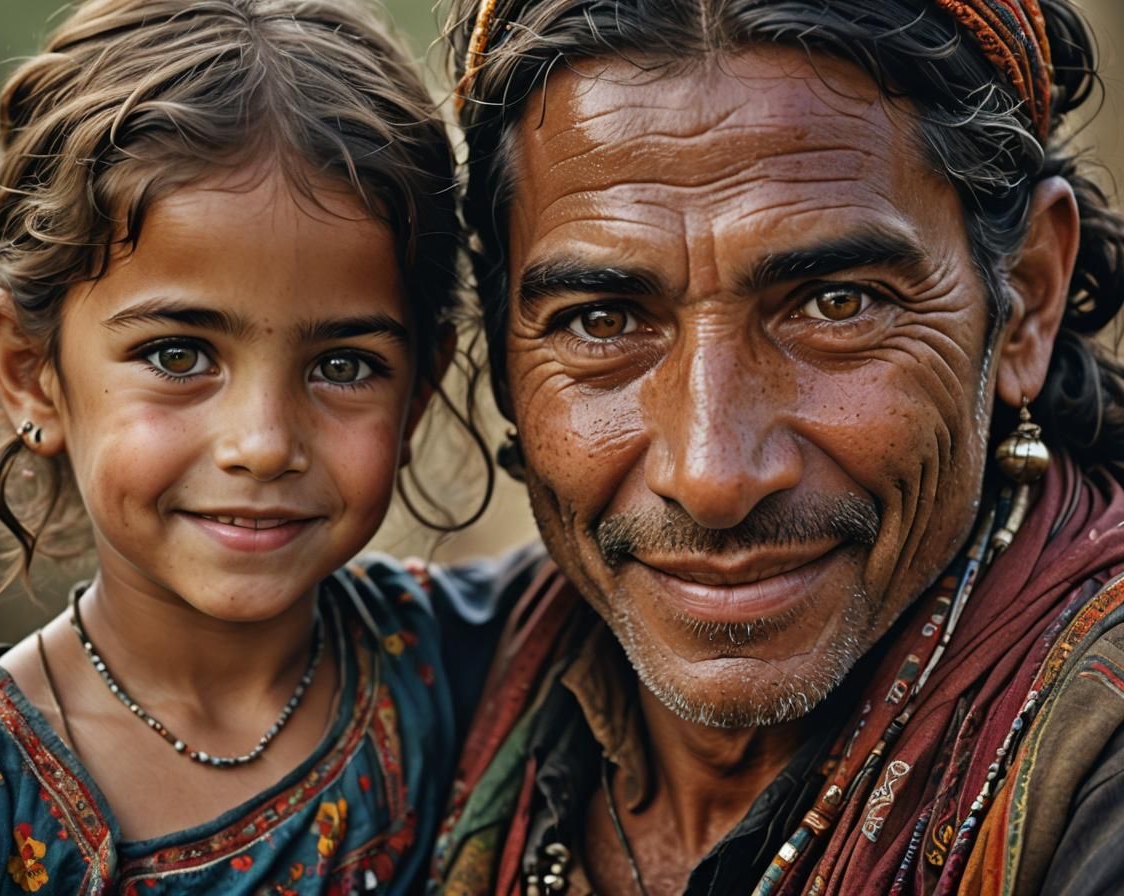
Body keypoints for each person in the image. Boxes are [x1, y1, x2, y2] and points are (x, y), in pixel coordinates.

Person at [432, 0, 1124, 893]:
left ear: (1026, 300)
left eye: (837, 304)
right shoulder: (413, 684)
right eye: (601, 322)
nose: (713, 474)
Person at [0, 0, 505, 892]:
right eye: (177, 355)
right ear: (31, 372)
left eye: (344, 364)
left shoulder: (464, 658)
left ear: (418, 392)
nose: (263, 444)